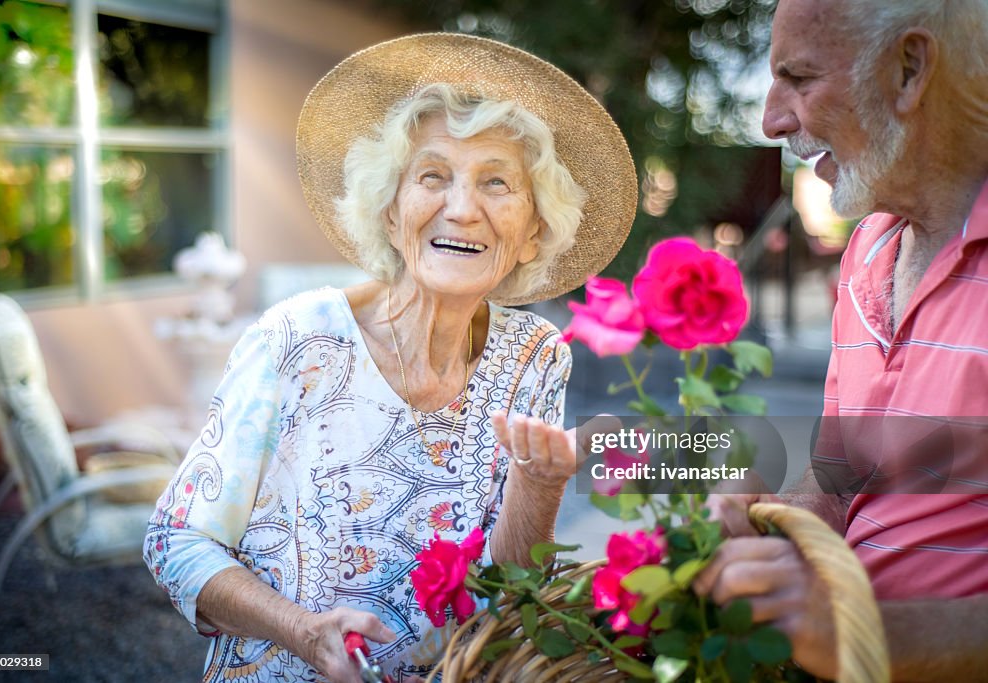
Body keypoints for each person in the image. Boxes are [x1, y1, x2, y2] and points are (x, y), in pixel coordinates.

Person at [143, 33, 637, 683]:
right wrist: (303, 631)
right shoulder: (296, 341)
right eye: (433, 176)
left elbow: (511, 592)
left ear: (533, 231)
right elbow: (174, 541)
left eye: (496, 182)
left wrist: (541, 484)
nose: (462, 208)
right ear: (390, 208)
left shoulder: (535, 357)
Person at [694, 0, 988, 680]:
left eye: (798, 77)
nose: (771, 119)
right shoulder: (869, 249)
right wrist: (770, 521)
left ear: (910, 70)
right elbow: (842, 475)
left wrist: (862, 633)